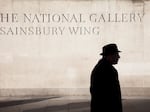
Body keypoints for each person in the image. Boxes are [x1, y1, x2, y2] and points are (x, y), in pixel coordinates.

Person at [90, 43, 123, 112]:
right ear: (109, 56)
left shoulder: (101, 67)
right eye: (116, 54)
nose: (119, 57)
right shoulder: (108, 70)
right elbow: (111, 95)